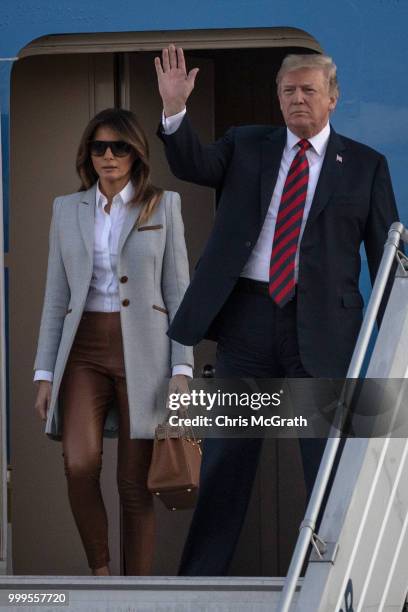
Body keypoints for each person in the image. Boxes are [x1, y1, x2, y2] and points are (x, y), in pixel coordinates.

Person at [154, 45, 401, 576]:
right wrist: (175, 112)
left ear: (332, 98)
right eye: (288, 91)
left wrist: (395, 347)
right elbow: (192, 164)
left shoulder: (365, 166)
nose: (297, 100)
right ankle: (199, 582)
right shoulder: (248, 144)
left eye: (308, 90)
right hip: (247, 323)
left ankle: (336, 578)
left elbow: (386, 262)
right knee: (226, 463)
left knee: (325, 467)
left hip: (324, 331)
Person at [33, 107, 193, 576]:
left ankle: (137, 591)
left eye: (119, 147)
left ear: (135, 153)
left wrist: (182, 368)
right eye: (99, 147)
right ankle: (101, 573)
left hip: (146, 354)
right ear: (89, 153)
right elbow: (55, 295)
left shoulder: (163, 205)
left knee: (134, 483)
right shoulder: (67, 208)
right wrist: (45, 373)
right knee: (80, 463)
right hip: (81, 350)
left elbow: (178, 292)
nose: (108, 156)